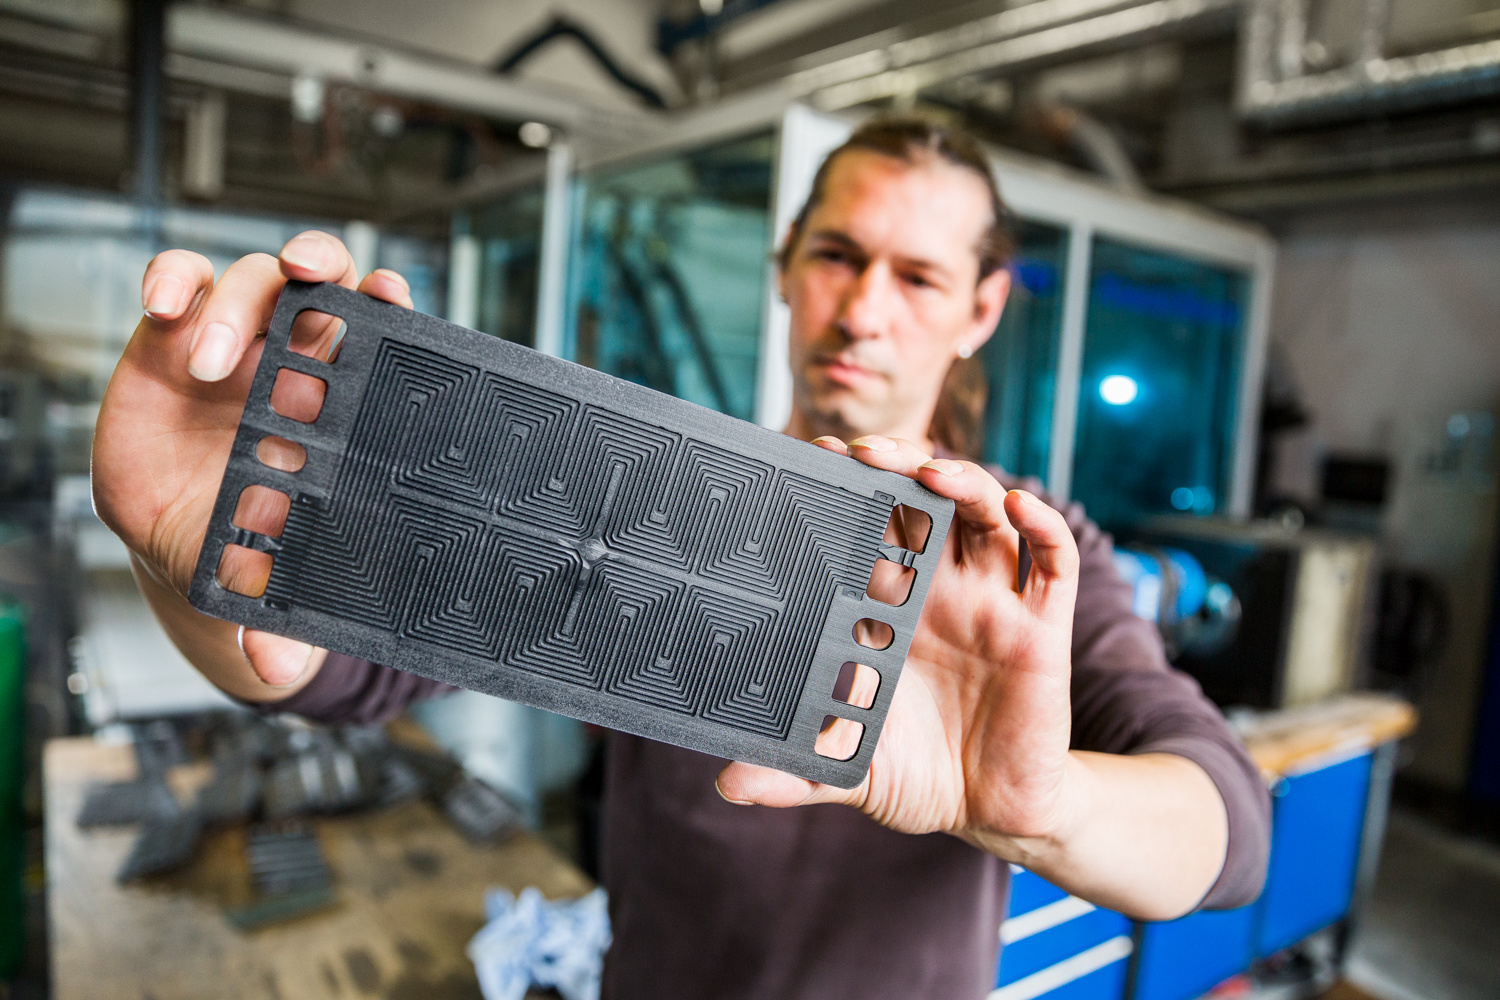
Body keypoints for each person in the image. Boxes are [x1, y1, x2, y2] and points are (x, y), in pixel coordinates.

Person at [93, 116, 1270, 999]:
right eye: (837, 255)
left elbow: (1228, 830)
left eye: (918, 277)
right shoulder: (660, 494)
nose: (865, 310)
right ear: (785, 267)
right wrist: (194, 547)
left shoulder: (1023, 566)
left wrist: (1040, 808)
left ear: (982, 311)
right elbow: (337, 668)